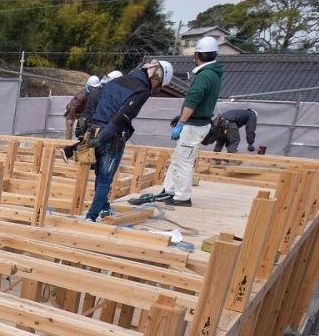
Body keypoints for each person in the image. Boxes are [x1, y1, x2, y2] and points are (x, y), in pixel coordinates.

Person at [77, 59, 173, 222]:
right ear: (156, 77)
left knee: (100, 175)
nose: (156, 89)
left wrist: (92, 134)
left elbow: (95, 104)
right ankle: (91, 217)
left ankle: (104, 208)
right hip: (111, 137)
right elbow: (122, 117)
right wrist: (103, 138)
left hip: (95, 131)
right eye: (158, 85)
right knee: (104, 180)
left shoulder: (116, 81)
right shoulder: (141, 90)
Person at [157, 37, 225, 207]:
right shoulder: (214, 74)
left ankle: (182, 197)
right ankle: (169, 191)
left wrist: (181, 121)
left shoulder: (204, 76)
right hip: (198, 122)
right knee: (178, 159)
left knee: (184, 161)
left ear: (198, 55)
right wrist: (181, 119)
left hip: (194, 125)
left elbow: (192, 100)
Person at [64, 76, 98, 140]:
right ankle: (67, 142)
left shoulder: (92, 93)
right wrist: (70, 117)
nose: (96, 89)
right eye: (94, 87)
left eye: (96, 87)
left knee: (85, 121)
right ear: (90, 86)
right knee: (70, 124)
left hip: (81, 110)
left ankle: (83, 140)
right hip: (72, 109)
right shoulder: (83, 95)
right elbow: (74, 106)